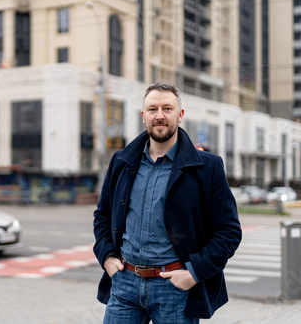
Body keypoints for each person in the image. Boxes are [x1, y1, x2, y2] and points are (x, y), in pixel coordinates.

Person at [93, 82, 242, 323]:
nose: (159, 116)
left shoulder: (207, 167)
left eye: (167, 109)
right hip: (124, 284)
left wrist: (193, 274)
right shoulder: (121, 161)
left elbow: (228, 232)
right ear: (143, 116)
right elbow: (102, 216)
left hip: (175, 289)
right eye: (152, 109)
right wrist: (106, 258)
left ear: (180, 115)